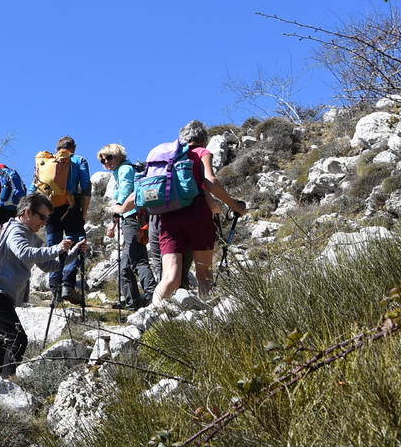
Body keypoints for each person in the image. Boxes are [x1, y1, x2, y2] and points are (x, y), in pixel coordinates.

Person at [121, 121, 246, 304]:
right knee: (204, 275)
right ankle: (207, 316)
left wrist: (121, 209)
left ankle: (155, 314)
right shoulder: (201, 152)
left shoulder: (169, 158)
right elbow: (210, 181)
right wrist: (234, 205)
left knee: (170, 277)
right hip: (197, 216)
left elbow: (137, 193)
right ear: (203, 140)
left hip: (167, 218)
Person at [0, 193, 87, 377]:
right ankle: (7, 381)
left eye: (47, 219)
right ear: (27, 212)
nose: (44, 223)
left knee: (0, 350)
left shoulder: (29, 234)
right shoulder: (16, 230)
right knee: (17, 340)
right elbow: (25, 254)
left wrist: (73, 253)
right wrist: (57, 248)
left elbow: (48, 265)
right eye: (42, 217)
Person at [99, 144, 156, 309]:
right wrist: (114, 223)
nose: (106, 162)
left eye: (109, 157)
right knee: (125, 266)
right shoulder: (120, 171)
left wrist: (117, 208)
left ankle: (152, 295)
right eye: (103, 160)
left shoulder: (125, 169)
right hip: (130, 219)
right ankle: (133, 303)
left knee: (138, 260)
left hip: (132, 219)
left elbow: (125, 192)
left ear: (118, 155)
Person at [40, 136, 91, 304]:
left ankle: (55, 290)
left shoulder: (46, 162)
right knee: (76, 243)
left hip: (50, 210)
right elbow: (86, 187)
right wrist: (83, 213)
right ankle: (68, 286)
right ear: (73, 148)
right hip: (71, 208)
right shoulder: (78, 160)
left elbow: (36, 187)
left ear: (57, 148)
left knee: (53, 247)